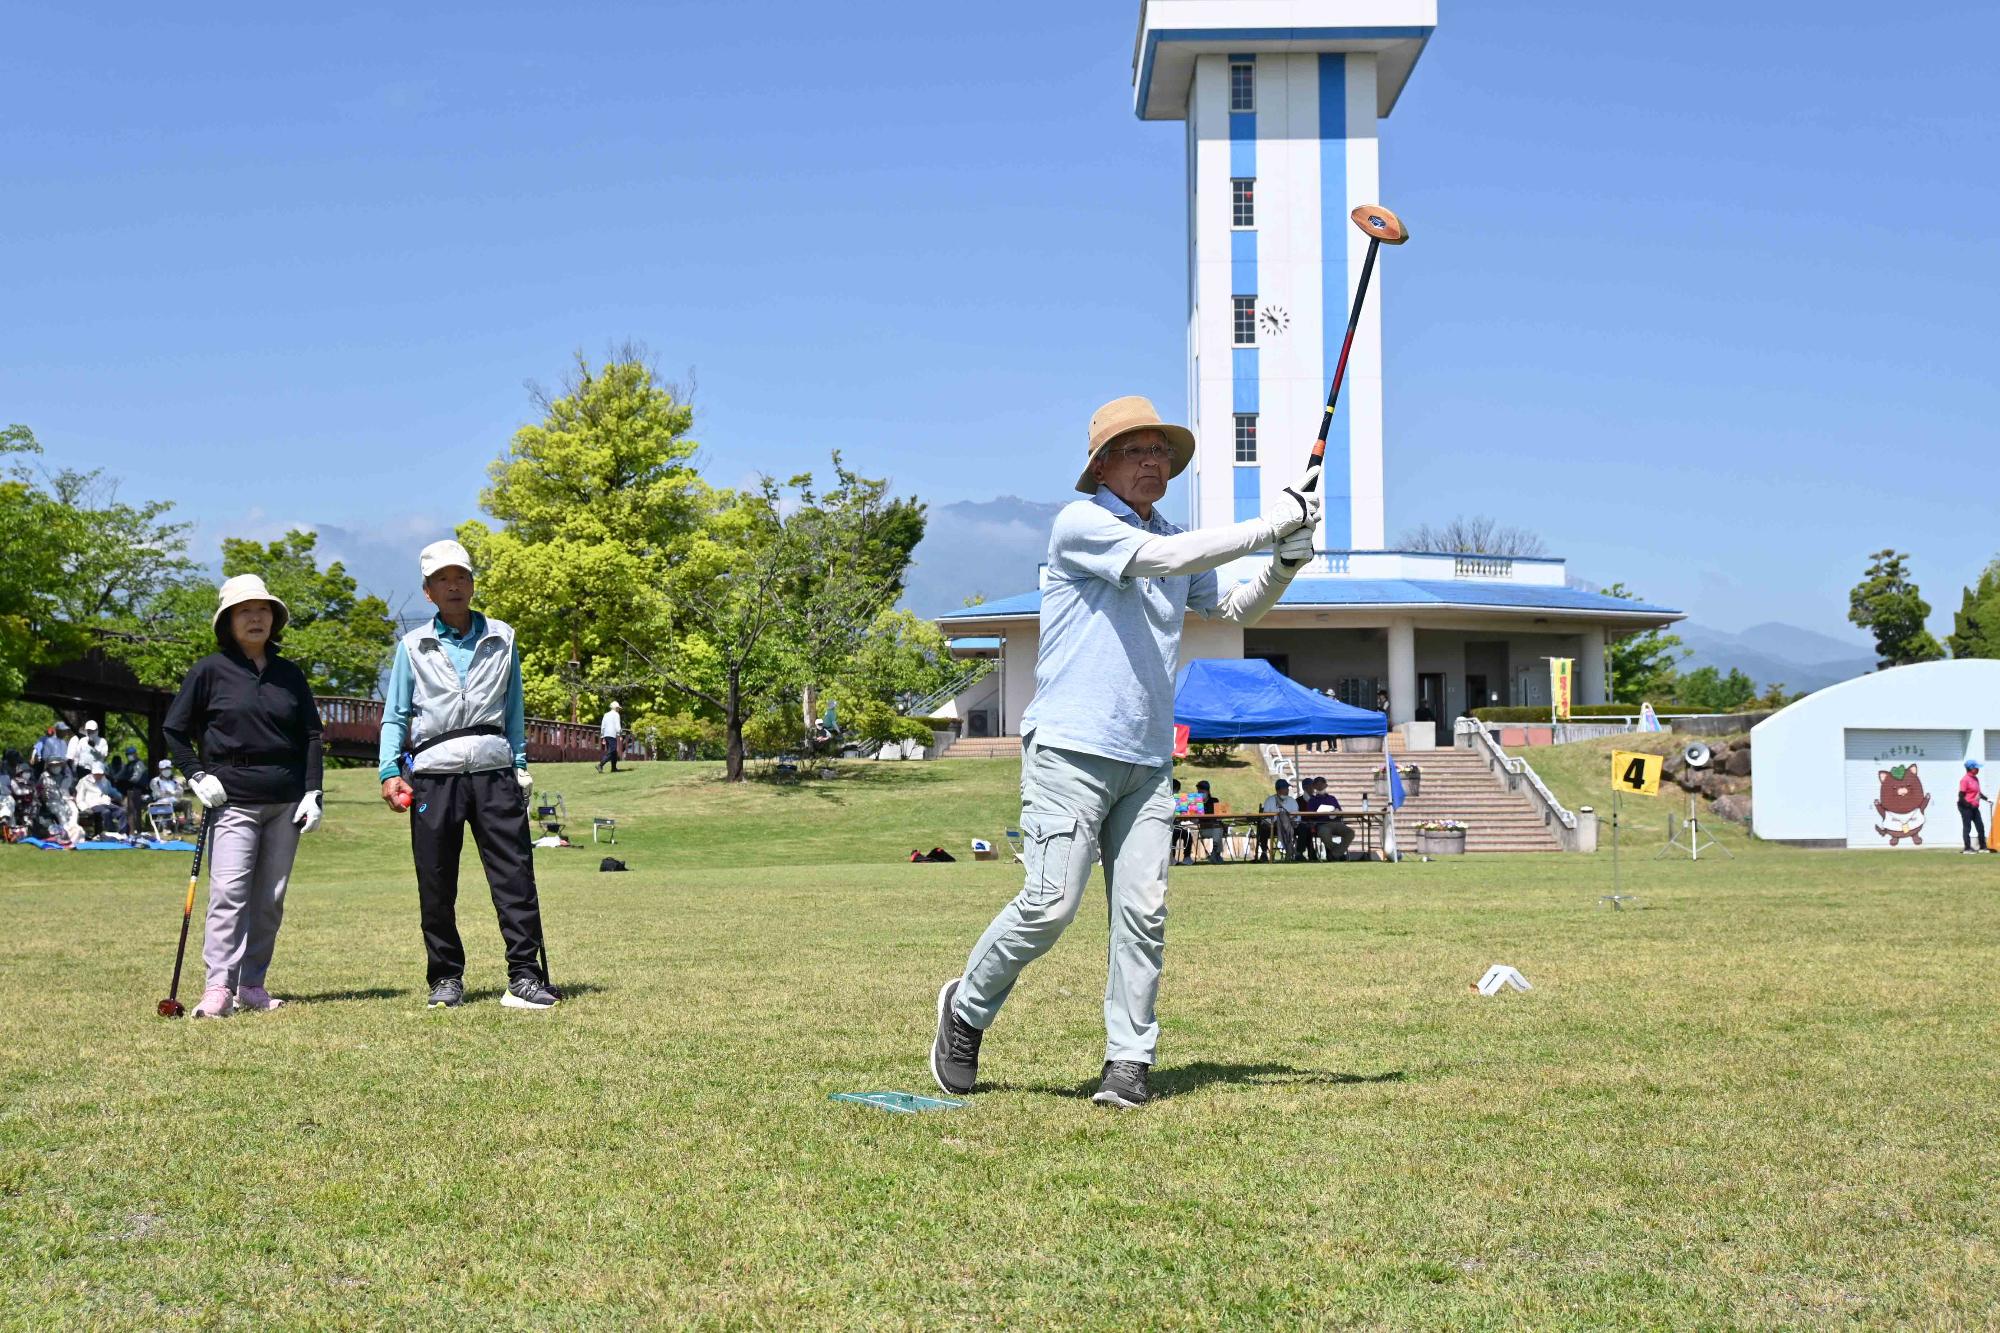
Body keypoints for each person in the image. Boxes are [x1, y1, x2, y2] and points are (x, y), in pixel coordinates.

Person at [929, 394, 1320, 1108]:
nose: (1154, 461)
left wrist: (1285, 562)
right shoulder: (1081, 525)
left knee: (1144, 911)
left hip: (1146, 759)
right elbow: (1162, 558)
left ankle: (1128, 1059)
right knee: (1050, 905)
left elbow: (1230, 609)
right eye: (1138, 449)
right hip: (1070, 750)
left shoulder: (1174, 535)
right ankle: (966, 1009)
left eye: (1162, 451)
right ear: (1102, 464)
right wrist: (1272, 525)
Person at [378, 539, 559, 1011]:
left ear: (473, 583)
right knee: (436, 880)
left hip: (495, 769)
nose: (453, 585)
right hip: (433, 775)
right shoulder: (412, 646)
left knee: (515, 876)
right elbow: (396, 716)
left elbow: (514, 707)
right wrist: (387, 770)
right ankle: (445, 978)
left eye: (461, 577)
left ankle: (524, 975)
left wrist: (520, 764)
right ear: (428, 592)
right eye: (442, 579)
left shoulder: (503, 635)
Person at [164, 573, 325, 1018]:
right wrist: (196, 775)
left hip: (286, 801)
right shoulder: (208, 671)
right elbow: (174, 730)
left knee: (270, 897)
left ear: (274, 619)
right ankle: (218, 987)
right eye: (244, 611)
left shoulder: (289, 674)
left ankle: (251, 983)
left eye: (263, 610)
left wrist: (314, 792)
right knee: (229, 893)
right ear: (228, 622)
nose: (256, 617)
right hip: (231, 798)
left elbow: (311, 736)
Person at [1299, 776, 1354, 862]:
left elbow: (1340, 812)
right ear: (1314, 787)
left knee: (1350, 832)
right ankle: (1339, 853)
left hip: (1336, 823)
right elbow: (1310, 815)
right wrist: (1321, 812)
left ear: (1326, 785)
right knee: (1324, 834)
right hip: (1322, 824)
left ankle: (1334, 854)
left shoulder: (1332, 798)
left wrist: (1336, 812)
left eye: (1322, 784)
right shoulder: (1312, 800)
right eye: (1318, 785)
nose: (1320, 787)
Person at [1257, 778, 1299, 862]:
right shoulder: (1270, 800)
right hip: (1273, 827)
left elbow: (1297, 817)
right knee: (1263, 828)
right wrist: (1274, 822)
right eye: (1285, 788)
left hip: (1290, 826)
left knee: (1302, 828)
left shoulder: (1292, 801)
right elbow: (1265, 817)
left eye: (1287, 788)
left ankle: (1299, 853)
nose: (1287, 790)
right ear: (1279, 790)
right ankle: (1264, 852)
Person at [74, 761, 118, 838]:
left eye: (100, 774)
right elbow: (80, 798)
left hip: (106, 803)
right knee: (106, 812)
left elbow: (111, 790)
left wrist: (119, 797)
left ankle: (123, 834)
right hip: (93, 804)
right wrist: (85, 808)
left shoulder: (105, 781)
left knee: (121, 812)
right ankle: (108, 833)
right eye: (96, 773)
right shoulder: (84, 781)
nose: (98, 775)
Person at [116, 745, 150, 837]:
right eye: (128, 754)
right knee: (126, 809)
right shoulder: (128, 765)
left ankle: (136, 830)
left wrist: (126, 781)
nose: (130, 756)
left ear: (135, 754)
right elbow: (119, 776)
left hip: (139, 791)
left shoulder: (139, 764)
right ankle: (128, 829)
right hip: (129, 792)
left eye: (131, 754)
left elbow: (136, 778)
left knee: (134, 810)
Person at [1958, 760, 1991, 855]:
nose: (1978, 769)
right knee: (1967, 827)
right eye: (1976, 768)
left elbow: (1978, 793)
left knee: (1980, 826)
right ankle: (1967, 848)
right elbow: (1961, 796)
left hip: (1974, 807)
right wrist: (1968, 805)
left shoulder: (1975, 779)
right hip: (1965, 807)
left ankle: (1983, 847)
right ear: (1970, 768)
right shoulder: (1965, 780)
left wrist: (1987, 799)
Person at [151, 760, 188, 833]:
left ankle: (188, 824)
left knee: (187, 802)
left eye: (169, 768)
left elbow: (180, 793)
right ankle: (166, 827)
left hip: (174, 802)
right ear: (160, 769)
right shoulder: (155, 781)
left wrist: (169, 793)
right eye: (165, 769)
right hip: (161, 803)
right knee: (166, 803)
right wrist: (172, 793)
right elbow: (157, 794)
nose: (167, 771)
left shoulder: (174, 781)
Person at [597, 701, 623, 773]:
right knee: (611, 752)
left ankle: (614, 768)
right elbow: (618, 727)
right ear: (616, 708)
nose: (618, 709)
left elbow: (603, 726)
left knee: (614, 752)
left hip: (606, 734)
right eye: (618, 708)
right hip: (612, 735)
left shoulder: (606, 714)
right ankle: (600, 765)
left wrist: (602, 737)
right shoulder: (616, 715)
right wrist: (620, 734)